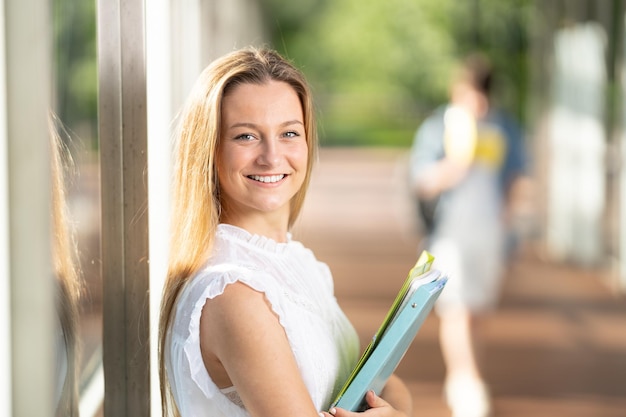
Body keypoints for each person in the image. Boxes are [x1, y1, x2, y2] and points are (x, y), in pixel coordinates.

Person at [158, 46, 413, 417]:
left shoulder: (295, 260)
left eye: (289, 133)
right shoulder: (233, 291)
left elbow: (383, 386)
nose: (272, 157)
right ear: (208, 149)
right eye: (246, 136)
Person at [408, 54, 527, 417]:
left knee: (477, 309)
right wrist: (454, 166)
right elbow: (422, 181)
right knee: (456, 306)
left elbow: (516, 176)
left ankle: (466, 375)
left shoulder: (504, 127)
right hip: (451, 233)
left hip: (490, 233)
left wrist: (508, 215)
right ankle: (467, 379)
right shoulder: (439, 127)